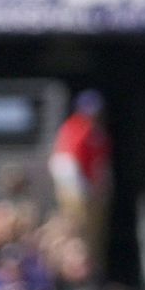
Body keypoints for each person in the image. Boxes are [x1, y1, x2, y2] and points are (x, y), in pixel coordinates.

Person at [49, 90, 109, 234]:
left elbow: (99, 163)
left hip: (92, 189)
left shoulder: (96, 132)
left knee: (93, 232)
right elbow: (64, 164)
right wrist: (83, 188)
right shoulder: (72, 128)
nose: (92, 116)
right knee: (76, 230)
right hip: (77, 188)